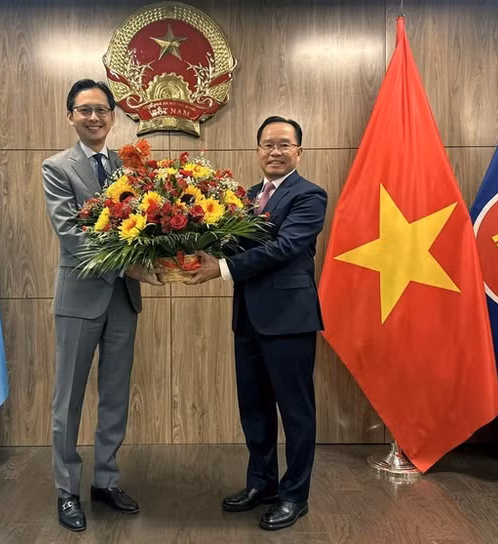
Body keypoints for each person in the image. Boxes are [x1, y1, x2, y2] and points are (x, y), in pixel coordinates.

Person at [187, 116, 327, 531]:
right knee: (255, 408)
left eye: (285, 144)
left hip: (289, 321)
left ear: (299, 151)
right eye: (268, 144)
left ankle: (294, 496)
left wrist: (223, 268)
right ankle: (261, 484)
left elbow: (285, 247)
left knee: (296, 413)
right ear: (257, 150)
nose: (275, 152)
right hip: (247, 319)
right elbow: (226, 241)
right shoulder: (245, 197)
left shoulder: (309, 196)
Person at [42, 79, 161, 532]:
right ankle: (67, 490)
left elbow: (143, 223)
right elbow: (71, 235)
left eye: (102, 110)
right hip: (80, 298)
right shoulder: (57, 168)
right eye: (84, 110)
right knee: (68, 399)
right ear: (70, 115)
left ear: (114, 116)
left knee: (115, 396)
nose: (94, 117)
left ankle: (106, 480)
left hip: (123, 304)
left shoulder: (128, 168)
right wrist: (129, 267)